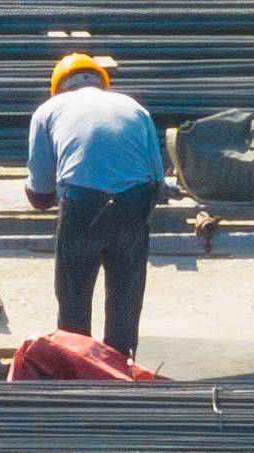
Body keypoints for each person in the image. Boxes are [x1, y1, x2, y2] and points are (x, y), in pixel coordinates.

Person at [23, 52, 163, 357]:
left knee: (73, 300)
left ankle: (77, 372)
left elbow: (39, 194)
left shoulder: (47, 111)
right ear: (103, 83)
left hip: (83, 205)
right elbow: (157, 179)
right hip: (134, 202)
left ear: (58, 86)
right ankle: (120, 368)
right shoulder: (134, 108)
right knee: (125, 298)